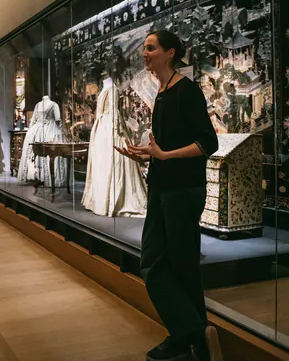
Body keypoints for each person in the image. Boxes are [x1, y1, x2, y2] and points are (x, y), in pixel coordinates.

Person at [116, 30, 221, 361]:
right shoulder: (161, 92)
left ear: (170, 52)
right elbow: (166, 146)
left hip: (182, 191)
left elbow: (208, 143)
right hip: (163, 189)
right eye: (145, 48)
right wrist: (147, 155)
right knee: (153, 263)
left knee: (183, 266)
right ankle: (193, 330)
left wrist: (164, 156)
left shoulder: (185, 91)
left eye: (151, 48)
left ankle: (191, 340)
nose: (145, 53)